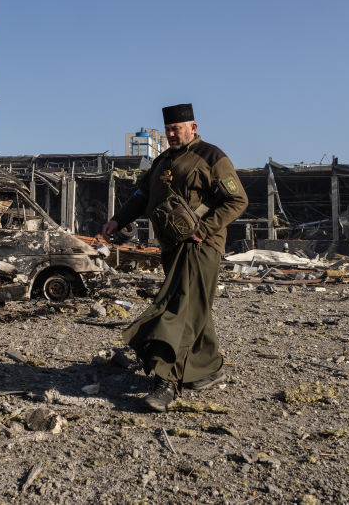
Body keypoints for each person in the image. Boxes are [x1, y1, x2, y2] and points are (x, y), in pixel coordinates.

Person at [101, 103, 247, 412]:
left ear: (193, 128)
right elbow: (142, 197)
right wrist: (118, 220)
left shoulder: (211, 157)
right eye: (168, 130)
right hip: (171, 247)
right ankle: (207, 367)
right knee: (194, 307)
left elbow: (237, 199)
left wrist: (204, 229)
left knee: (178, 309)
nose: (171, 134)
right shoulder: (162, 160)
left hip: (200, 246)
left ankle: (166, 379)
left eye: (177, 129)